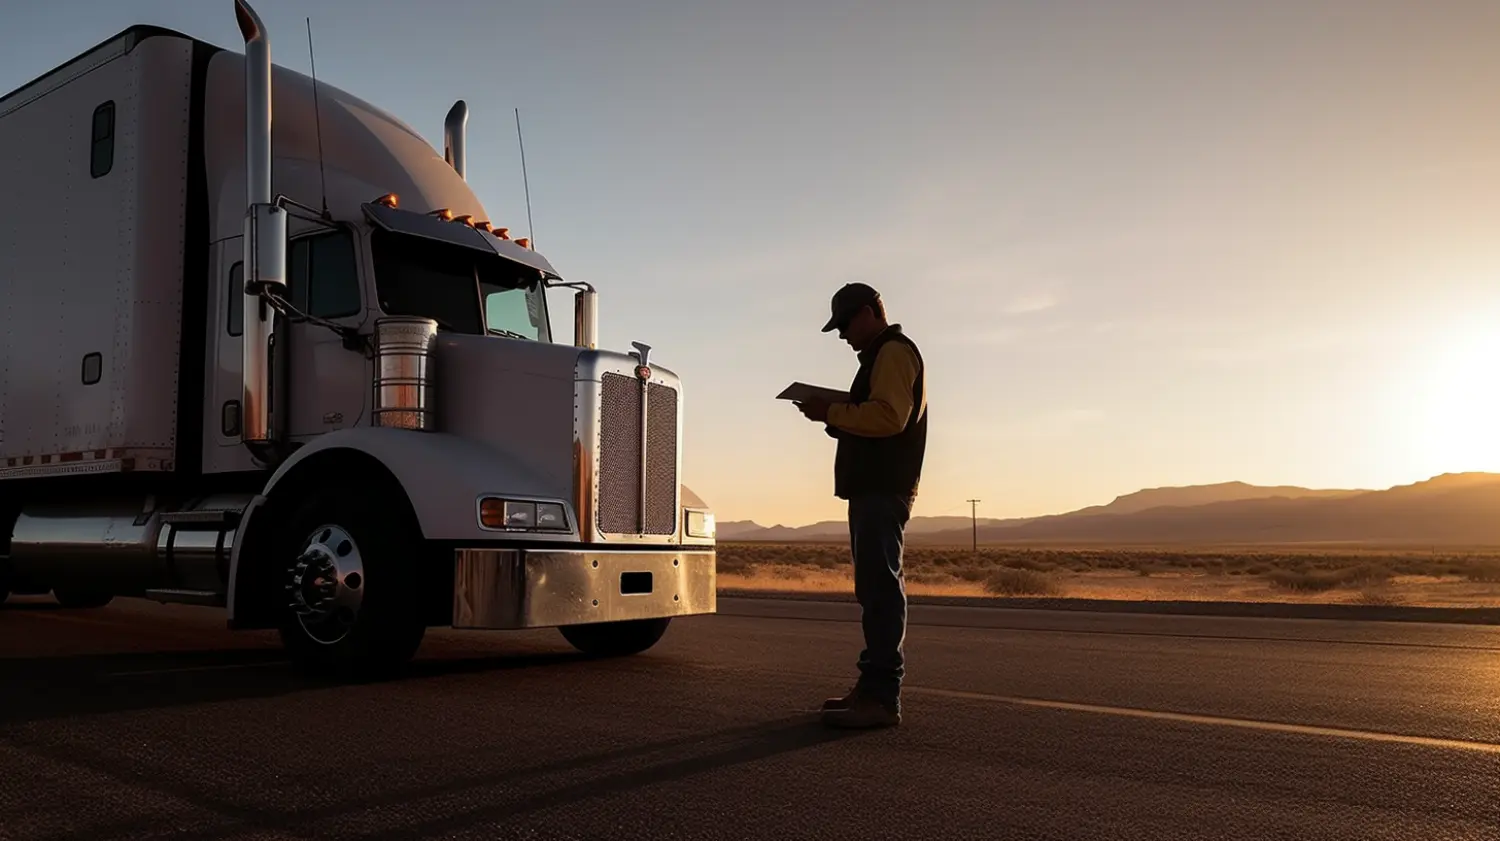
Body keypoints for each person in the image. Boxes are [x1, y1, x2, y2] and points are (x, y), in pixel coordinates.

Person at [793, 282, 927, 729]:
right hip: (874, 487)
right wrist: (835, 413)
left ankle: (882, 697)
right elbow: (876, 415)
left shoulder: (892, 352)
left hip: (882, 487)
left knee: (881, 591)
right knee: (874, 590)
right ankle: (871, 688)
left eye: (846, 324)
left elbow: (890, 417)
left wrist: (831, 412)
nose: (842, 335)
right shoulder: (881, 355)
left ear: (870, 313)